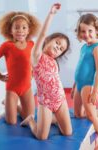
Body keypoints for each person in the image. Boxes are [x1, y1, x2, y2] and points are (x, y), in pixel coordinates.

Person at [20, 3, 72, 140]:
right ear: (48, 40)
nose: (58, 48)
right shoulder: (37, 56)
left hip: (60, 100)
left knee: (67, 132)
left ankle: (53, 119)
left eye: (61, 49)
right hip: (46, 103)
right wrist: (51, 14)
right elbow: (42, 34)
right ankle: (31, 120)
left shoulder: (54, 61)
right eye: (57, 43)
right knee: (41, 136)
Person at [0, 11, 41, 125]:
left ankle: (16, 107)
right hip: (12, 88)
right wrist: (0, 76)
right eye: (16, 28)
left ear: (28, 30)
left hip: (27, 87)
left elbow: (34, 61)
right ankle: (9, 104)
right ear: (10, 30)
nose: (20, 30)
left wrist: (32, 72)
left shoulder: (31, 44)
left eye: (23, 28)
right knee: (11, 122)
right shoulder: (7, 46)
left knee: (29, 118)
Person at [72, 13, 98, 150]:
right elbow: (79, 67)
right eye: (83, 31)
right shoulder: (84, 47)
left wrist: (95, 91)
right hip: (79, 84)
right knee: (78, 114)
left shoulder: (97, 48)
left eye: (90, 31)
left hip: (88, 86)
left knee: (91, 115)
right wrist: (74, 86)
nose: (86, 34)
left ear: (96, 30)